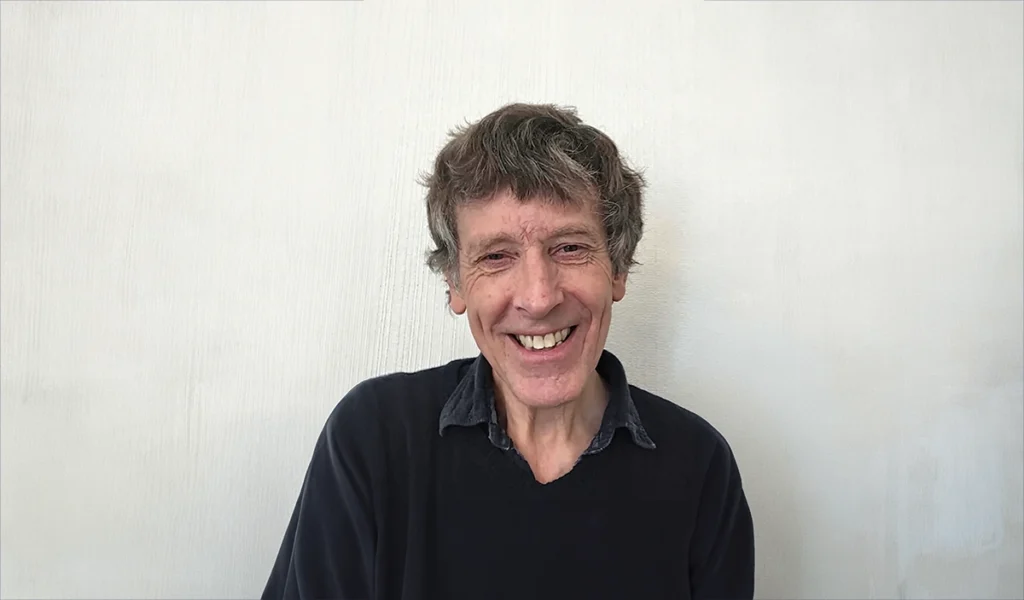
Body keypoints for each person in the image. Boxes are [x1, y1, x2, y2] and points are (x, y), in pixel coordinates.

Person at [261, 103, 755, 600]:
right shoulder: (373, 438)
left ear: (618, 269)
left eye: (570, 247)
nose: (539, 298)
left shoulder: (699, 468)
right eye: (496, 256)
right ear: (456, 284)